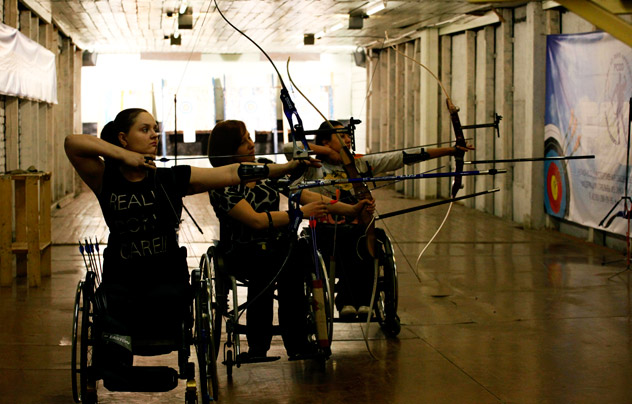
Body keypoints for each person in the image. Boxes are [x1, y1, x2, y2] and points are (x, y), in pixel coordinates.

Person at [64, 108, 309, 375]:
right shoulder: (105, 179)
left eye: (154, 129)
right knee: (111, 329)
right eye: (144, 130)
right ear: (123, 138)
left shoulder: (170, 178)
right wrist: (126, 157)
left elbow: (231, 173)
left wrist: (286, 167)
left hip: (165, 276)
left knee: (168, 304)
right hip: (121, 281)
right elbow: (72, 143)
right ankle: (116, 359)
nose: (154, 135)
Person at [207, 119, 373, 360]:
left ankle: (298, 344)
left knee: (296, 261)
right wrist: (298, 214)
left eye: (250, 139)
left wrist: (351, 210)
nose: (252, 145)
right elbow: (255, 220)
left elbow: (303, 194)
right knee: (266, 262)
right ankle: (257, 346)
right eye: (243, 143)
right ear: (228, 151)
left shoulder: (264, 168)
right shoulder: (220, 181)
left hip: (278, 246)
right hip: (241, 251)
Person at [284, 120, 475, 320]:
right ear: (325, 140)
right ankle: (347, 301)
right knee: (347, 240)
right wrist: (326, 152)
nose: (348, 139)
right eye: (342, 136)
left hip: (358, 230)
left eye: (349, 135)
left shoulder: (359, 164)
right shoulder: (312, 166)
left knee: (367, 240)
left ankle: (363, 301)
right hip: (323, 231)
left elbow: (402, 157)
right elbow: (289, 147)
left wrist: (451, 151)